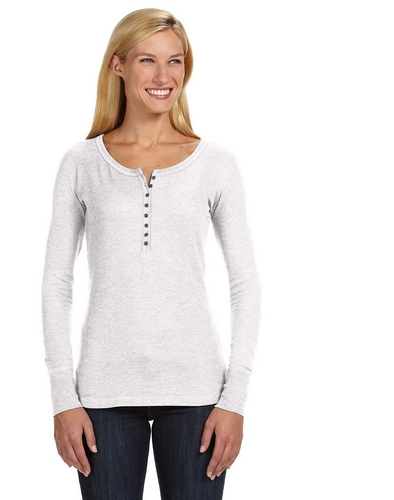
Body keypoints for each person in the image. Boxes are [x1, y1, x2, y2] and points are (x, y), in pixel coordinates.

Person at [41, 8, 261, 500]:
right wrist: (62, 398)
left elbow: (245, 284)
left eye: (175, 61)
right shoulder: (80, 163)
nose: (164, 77)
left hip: (198, 394)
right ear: (117, 65)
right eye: (148, 60)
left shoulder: (216, 164)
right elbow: (56, 284)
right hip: (102, 395)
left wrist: (235, 400)